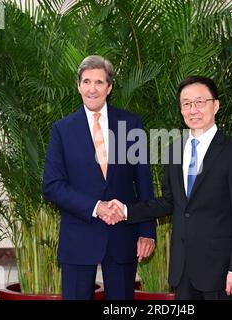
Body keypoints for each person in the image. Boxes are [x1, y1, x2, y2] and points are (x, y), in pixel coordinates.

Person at [104, 75, 232, 300]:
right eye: (186, 104)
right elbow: (169, 202)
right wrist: (126, 210)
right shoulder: (174, 150)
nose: (193, 109)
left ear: (216, 105)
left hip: (222, 272)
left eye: (200, 102)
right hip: (183, 271)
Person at [42, 55, 156, 300]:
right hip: (78, 239)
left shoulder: (131, 123)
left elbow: (143, 181)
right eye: (86, 81)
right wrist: (96, 207)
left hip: (123, 238)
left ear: (109, 87)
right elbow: (52, 185)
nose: (92, 88)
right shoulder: (62, 129)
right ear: (78, 85)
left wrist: (147, 231)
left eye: (99, 82)